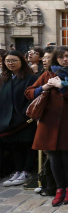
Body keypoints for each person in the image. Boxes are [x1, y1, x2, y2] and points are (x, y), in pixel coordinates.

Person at [25, 46, 68, 206]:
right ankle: (59, 188)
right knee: (53, 157)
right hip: (49, 122)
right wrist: (44, 87)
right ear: (55, 60)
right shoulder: (48, 73)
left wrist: (62, 88)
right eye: (61, 57)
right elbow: (29, 92)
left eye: (67, 56)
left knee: (67, 156)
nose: (65, 59)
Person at [0, 51, 37, 188]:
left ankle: (26, 171)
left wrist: (25, 115)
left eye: (14, 60)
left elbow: (32, 98)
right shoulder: (5, 78)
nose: (10, 63)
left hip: (24, 119)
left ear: (21, 61)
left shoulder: (30, 78)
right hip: (8, 119)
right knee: (15, 146)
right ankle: (18, 170)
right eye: (8, 61)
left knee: (27, 145)